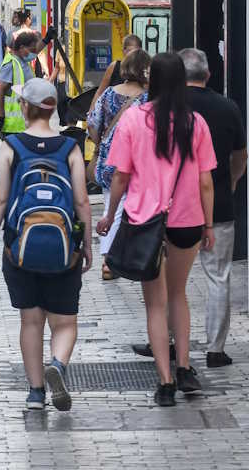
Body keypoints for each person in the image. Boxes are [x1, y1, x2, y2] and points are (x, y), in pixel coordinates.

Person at [97, 53, 216, 406]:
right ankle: (184, 368)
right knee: (179, 295)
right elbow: (205, 181)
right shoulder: (196, 123)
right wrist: (209, 224)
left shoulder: (133, 120)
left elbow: (120, 176)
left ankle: (164, 382)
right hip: (187, 220)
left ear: (152, 82)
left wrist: (109, 215)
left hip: (144, 221)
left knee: (155, 304)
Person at [0, 79, 91, 412]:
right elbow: (82, 200)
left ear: (25, 108)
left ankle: (35, 393)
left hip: (20, 245)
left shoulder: (12, 147)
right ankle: (57, 365)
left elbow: (0, 198)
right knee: (65, 322)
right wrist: (86, 243)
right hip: (64, 247)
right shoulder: (69, 147)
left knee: (30, 321)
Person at [183, 49, 245, 368]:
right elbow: (240, 155)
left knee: (169, 280)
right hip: (217, 204)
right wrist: (232, 182)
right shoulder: (228, 107)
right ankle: (215, 349)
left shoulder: (166, 109)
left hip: (174, 207)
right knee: (218, 276)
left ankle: (168, 342)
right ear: (208, 75)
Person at [86, 49, 150, 279]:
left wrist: (101, 142)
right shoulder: (147, 98)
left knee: (111, 206)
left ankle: (111, 259)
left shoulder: (109, 95)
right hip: (138, 163)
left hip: (110, 160)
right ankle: (112, 260)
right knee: (127, 209)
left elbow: (92, 124)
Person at [0, 31, 39, 137]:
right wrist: (0, 117)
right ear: (22, 47)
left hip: (25, 124)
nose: (34, 54)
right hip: (13, 127)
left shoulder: (23, 62)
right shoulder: (11, 64)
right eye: (32, 50)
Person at [88, 34, 144, 114]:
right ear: (123, 50)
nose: (132, 56)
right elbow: (100, 92)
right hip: (113, 119)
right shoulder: (114, 67)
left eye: (135, 52)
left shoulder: (145, 70)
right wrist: (91, 112)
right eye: (130, 51)